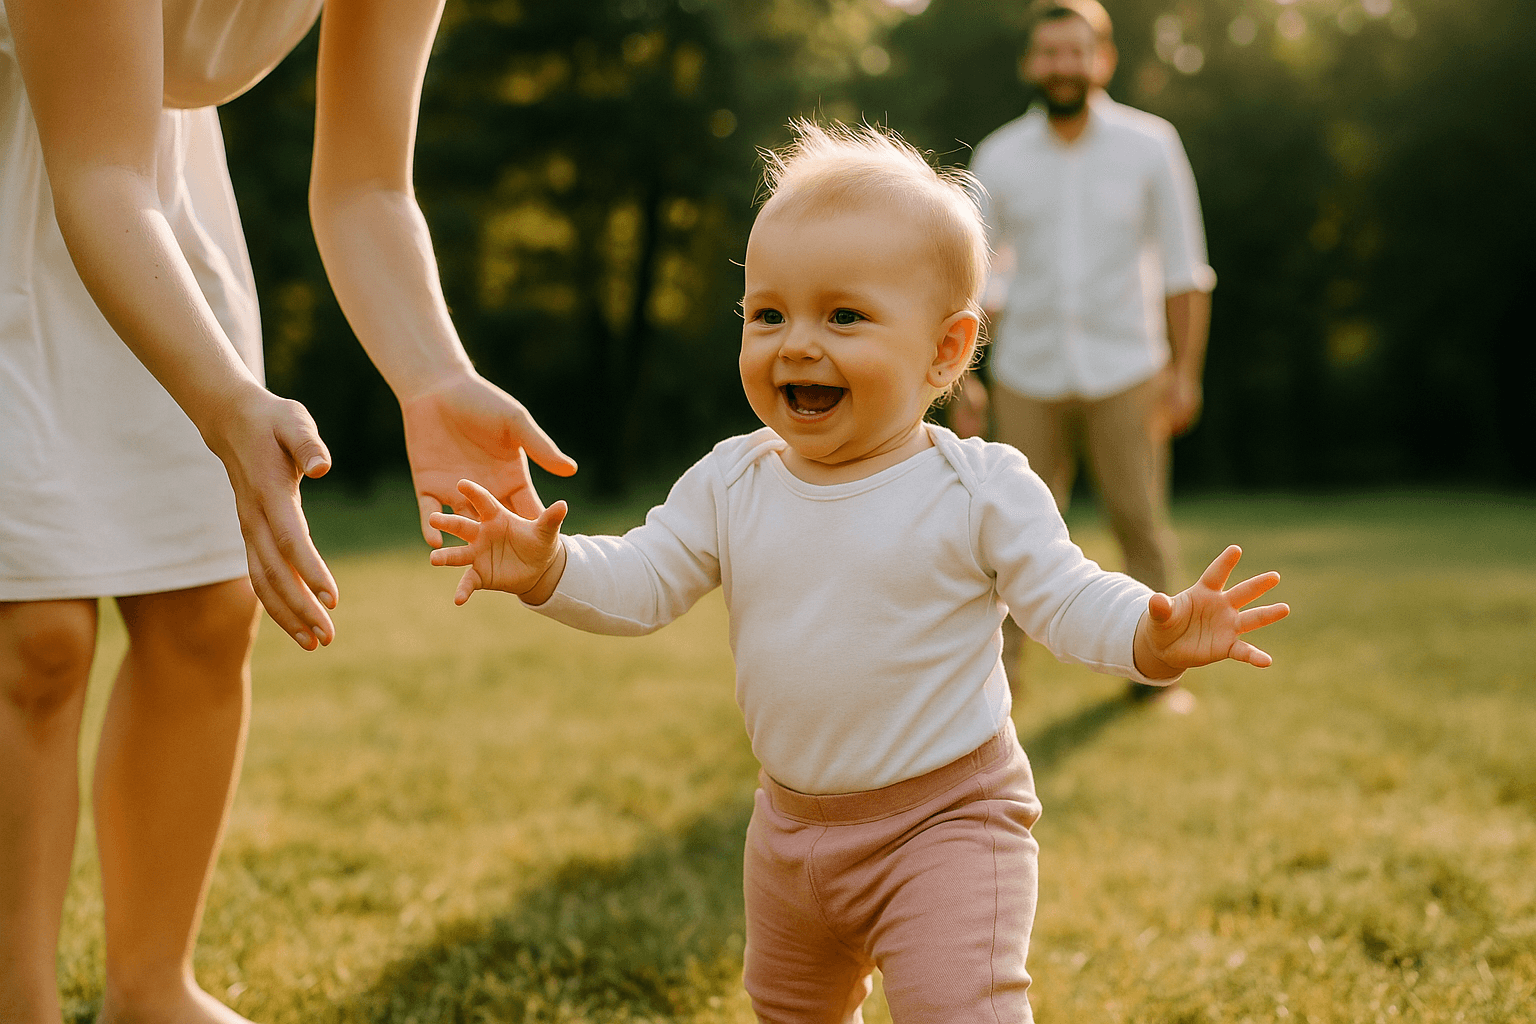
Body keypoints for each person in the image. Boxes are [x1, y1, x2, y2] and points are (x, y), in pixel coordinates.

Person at [427, 121, 1287, 1023]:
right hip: (790, 836)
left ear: (946, 351)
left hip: (949, 823)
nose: (796, 343)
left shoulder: (976, 486)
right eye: (768, 314)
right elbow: (644, 579)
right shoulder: (733, 477)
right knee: (790, 1011)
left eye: (844, 315)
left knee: (961, 1008)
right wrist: (549, 567)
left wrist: (1149, 632)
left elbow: (1064, 594)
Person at [0, 2, 573, 1022]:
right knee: (30, 639)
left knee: (208, 609)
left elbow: (365, 185)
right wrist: (227, 403)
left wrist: (433, 373)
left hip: (149, 197)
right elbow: (95, 167)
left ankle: (152, 991)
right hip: (62, 157)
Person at [968, 0, 1216, 705]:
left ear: (1102, 59)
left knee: (1140, 524)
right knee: (1007, 535)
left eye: (1075, 51)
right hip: (1026, 373)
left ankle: (1158, 678)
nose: (1062, 65)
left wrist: (1185, 373)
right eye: (1048, 53)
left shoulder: (1151, 144)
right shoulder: (999, 156)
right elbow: (977, 279)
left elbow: (1185, 268)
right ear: (1030, 64)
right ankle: (995, 692)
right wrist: (968, 379)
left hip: (1128, 369)